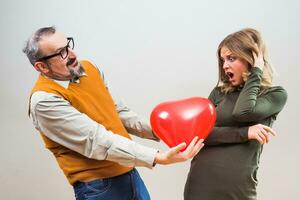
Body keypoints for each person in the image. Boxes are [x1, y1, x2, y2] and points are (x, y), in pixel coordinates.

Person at [23, 26, 204, 200]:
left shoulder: (89, 69)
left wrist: (164, 130)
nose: (72, 55)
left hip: (129, 173)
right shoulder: (43, 100)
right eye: (61, 52)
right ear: (42, 67)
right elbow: (97, 140)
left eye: (68, 45)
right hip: (98, 188)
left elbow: (118, 112)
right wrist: (158, 157)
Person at [184, 28, 287, 200]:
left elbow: (243, 113)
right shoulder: (218, 93)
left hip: (238, 190)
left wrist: (256, 73)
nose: (224, 65)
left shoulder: (275, 95)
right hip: (200, 186)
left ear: (252, 58)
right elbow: (199, 134)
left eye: (231, 58)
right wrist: (245, 133)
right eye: (223, 60)